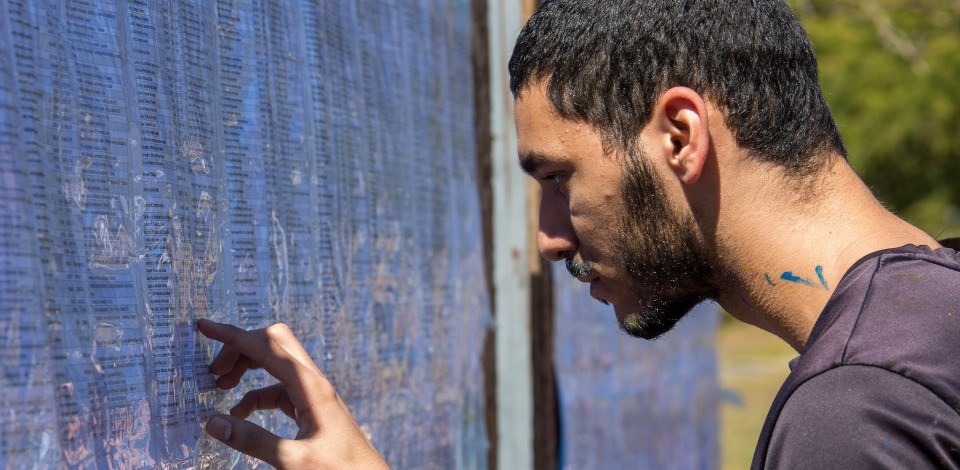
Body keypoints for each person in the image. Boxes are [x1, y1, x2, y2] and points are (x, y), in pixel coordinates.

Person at [198, 0, 960, 468]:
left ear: (680, 135)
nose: (547, 239)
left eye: (558, 179)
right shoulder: (933, 312)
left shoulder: (856, 418)